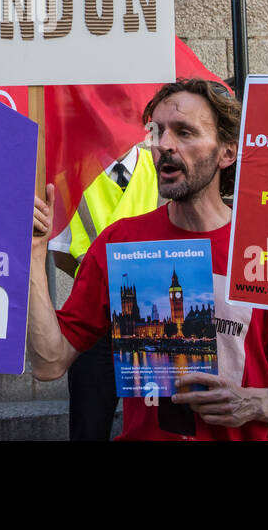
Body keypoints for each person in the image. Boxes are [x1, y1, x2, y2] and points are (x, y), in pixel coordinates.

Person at [29, 78, 268, 440]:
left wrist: (258, 402)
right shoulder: (121, 241)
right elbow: (49, 361)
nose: (164, 145)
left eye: (184, 132)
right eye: (157, 131)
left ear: (227, 153)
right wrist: (33, 255)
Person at [48, 143, 159, 440]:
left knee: (157, 427)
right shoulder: (71, 176)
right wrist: (97, 285)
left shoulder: (162, 166)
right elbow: (60, 252)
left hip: (153, 320)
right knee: (89, 424)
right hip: (94, 323)